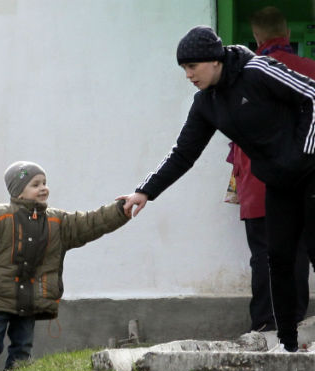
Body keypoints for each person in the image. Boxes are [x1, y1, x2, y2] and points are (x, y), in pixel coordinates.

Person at [119, 26, 315, 353]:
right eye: (184, 68)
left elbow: (312, 94)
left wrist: (303, 154)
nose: (188, 75)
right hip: (279, 182)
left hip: (310, 171)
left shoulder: (258, 70)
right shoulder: (206, 103)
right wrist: (145, 191)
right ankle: (288, 345)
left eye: (192, 66)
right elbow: (183, 153)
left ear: (214, 60)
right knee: (278, 259)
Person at [0, 161, 130, 371]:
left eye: (44, 183)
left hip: (31, 300)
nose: (43, 188)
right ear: (18, 191)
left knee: (23, 346)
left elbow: (90, 222)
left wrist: (120, 210)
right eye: (35, 184)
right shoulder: (1, 216)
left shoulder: (57, 221)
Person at [227, 6, 315, 332]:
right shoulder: (310, 70)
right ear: (287, 34)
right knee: (298, 254)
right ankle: (294, 326)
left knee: (264, 255)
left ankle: (266, 326)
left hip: (258, 182)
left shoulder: (243, 76)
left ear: (255, 36)